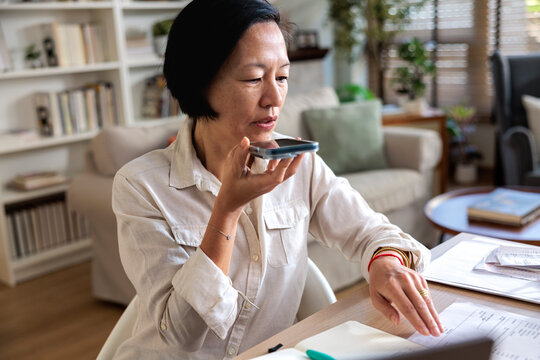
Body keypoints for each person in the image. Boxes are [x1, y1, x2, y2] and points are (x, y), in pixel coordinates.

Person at [111, 0, 444, 358]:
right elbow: (181, 337)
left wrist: (386, 263)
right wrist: (227, 210)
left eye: (282, 77)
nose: (274, 98)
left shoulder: (300, 165)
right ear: (200, 81)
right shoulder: (140, 187)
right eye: (254, 78)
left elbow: (370, 232)